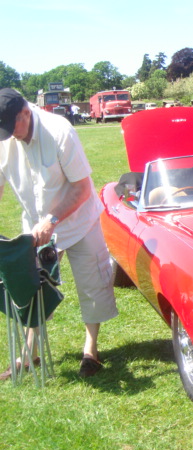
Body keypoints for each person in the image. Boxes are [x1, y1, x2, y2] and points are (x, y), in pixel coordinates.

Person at [0, 88, 118, 379]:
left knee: (92, 284)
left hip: (80, 221)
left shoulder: (59, 131)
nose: (7, 136)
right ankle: (31, 355)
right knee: (31, 288)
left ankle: (91, 350)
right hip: (36, 227)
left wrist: (52, 219)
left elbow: (82, 187)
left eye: (10, 128)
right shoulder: (5, 136)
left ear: (25, 114)